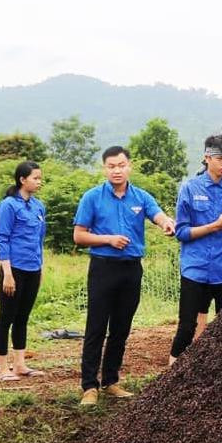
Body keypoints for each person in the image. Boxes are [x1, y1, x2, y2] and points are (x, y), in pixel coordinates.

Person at [73, 146, 175, 406]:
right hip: (103, 267)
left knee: (121, 328)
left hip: (131, 269)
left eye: (121, 165)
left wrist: (166, 223)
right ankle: (89, 386)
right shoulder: (92, 197)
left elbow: (158, 215)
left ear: (129, 166)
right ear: (104, 168)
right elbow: (79, 236)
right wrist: (108, 239)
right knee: (96, 327)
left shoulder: (141, 197)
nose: (116, 171)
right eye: (111, 166)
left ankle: (111, 381)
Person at [169, 129, 222, 365]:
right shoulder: (190, 189)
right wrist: (214, 226)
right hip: (195, 270)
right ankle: (169, 377)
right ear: (207, 158)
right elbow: (181, 233)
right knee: (187, 328)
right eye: (220, 158)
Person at [0, 160, 47, 382]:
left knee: (23, 317)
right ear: (22, 180)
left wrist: (41, 268)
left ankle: (20, 364)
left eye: (40, 178)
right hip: (14, 268)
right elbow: (3, 239)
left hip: (33, 267)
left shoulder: (38, 206)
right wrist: (7, 273)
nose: (39, 182)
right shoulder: (8, 205)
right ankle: (2, 368)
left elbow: (40, 240)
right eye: (35, 178)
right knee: (6, 317)